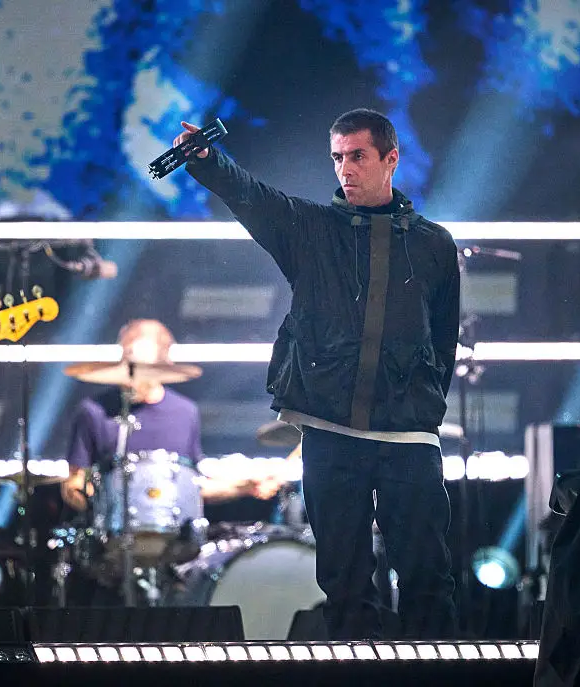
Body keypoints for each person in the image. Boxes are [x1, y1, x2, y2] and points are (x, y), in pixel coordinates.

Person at [175, 109, 460, 640]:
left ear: (390, 159)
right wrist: (209, 161)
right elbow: (253, 197)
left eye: (358, 156)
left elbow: (443, 338)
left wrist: (421, 408)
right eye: (337, 157)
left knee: (427, 579)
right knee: (344, 584)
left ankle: (437, 675)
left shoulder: (434, 244)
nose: (345, 168)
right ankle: (357, 676)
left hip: (409, 436)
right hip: (330, 432)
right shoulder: (309, 228)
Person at [60, 319, 280, 513]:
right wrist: (99, 505)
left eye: (146, 367)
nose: (135, 375)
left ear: (163, 366)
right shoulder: (94, 411)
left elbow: (191, 487)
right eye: (130, 364)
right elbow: (74, 483)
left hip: (172, 539)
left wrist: (244, 487)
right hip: (110, 535)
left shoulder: (185, 412)